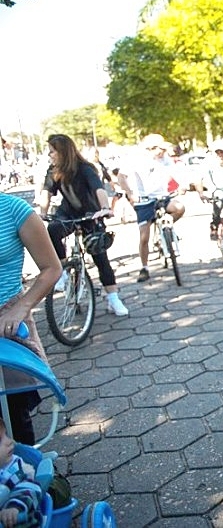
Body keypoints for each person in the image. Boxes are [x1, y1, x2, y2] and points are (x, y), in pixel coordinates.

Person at [39, 134, 129, 316]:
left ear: (63, 151)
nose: (50, 155)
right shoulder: (54, 170)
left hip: (90, 213)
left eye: (52, 151)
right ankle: (62, 272)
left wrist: (105, 208)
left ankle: (113, 299)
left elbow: (98, 189)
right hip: (67, 213)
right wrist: (42, 212)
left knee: (100, 256)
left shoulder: (85, 168)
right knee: (53, 230)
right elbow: (46, 193)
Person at [0, 191, 61, 444]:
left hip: (6, 323)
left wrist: (21, 307)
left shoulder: (14, 210)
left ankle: (23, 466)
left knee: (13, 413)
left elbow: (52, 268)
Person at [116, 133, 186, 283]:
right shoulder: (135, 158)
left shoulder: (165, 158)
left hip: (162, 197)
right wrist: (130, 193)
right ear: (150, 148)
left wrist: (182, 184)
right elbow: (121, 177)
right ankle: (144, 267)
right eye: (160, 149)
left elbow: (175, 172)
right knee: (144, 237)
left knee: (179, 208)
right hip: (144, 200)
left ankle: (167, 225)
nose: (162, 152)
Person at [0, 418, 43, 527]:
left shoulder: (15, 468)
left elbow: (29, 488)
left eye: (6, 434)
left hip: (19, 520)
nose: (9, 441)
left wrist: (14, 507)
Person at [197, 138, 223, 241]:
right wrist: (201, 194)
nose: (220, 155)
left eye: (222, 152)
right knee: (217, 207)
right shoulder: (208, 163)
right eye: (217, 152)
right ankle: (215, 226)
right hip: (217, 192)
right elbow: (199, 178)